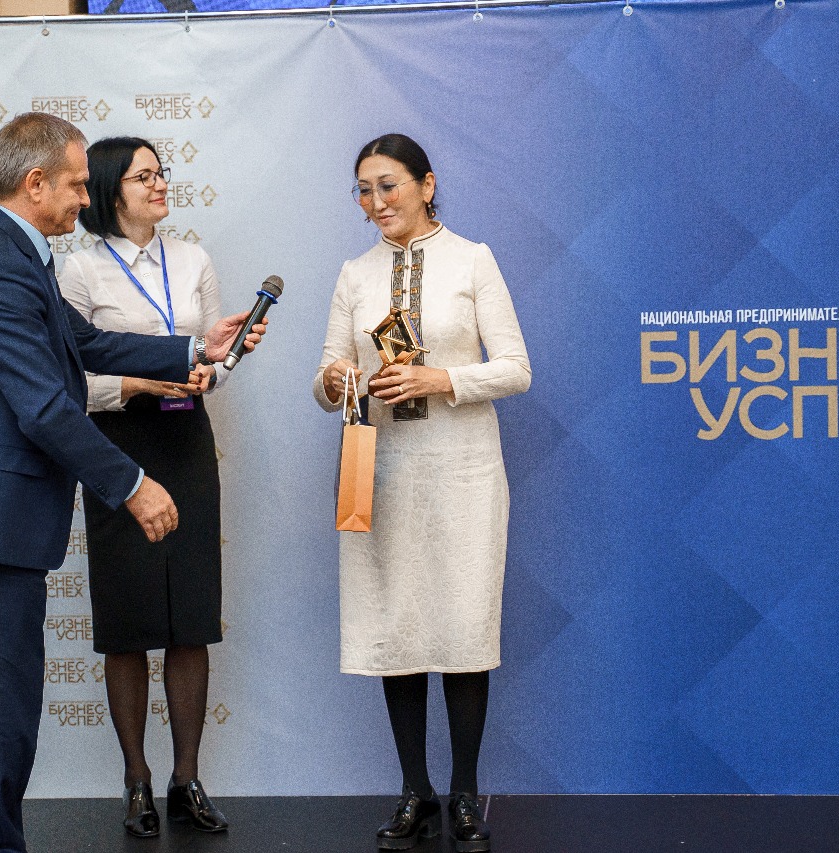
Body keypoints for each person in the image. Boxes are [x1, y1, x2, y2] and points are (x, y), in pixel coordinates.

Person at [0, 112, 264, 853]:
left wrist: (192, 348)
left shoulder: (18, 252)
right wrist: (132, 484)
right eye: (78, 185)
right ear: (35, 183)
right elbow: (46, 405)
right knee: (0, 700)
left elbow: (80, 342)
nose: (87, 198)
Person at [313, 133, 530, 853]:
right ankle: (415, 790)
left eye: (389, 185)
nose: (376, 202)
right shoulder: (355, 274)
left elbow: (516, 368)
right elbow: (325, 376)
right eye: (363, 190)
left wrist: (441, 379)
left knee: (463, 625)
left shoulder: (473, 260)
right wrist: (336, 380)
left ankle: (465, 792)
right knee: (396, 626)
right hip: (384, 471)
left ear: (427, 185)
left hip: (463, 469)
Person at [57, 136, 228, 838]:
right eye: (143, 176)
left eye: (162, 173)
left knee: (191, 616)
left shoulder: (193, 260)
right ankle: (137, 780)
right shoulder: (77, 270)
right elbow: (72, 377)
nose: (159, 185)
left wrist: (211, 370)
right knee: (127, 621)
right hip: (117, 447)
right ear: (108, 190)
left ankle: (188, 778)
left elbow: (214, 352)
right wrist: (136, 383)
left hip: (186, 441)